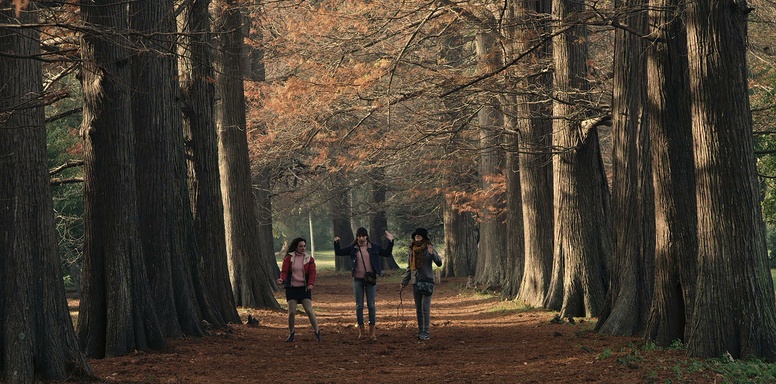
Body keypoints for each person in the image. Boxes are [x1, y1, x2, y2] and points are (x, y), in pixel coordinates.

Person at [334, 227, 394, 340]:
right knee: (359, 305)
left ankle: (372, 332)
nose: (361, 238)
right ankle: (361, 331)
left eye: (363, 236)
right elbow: (339, 252)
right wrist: (337, 243)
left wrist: (391, 241)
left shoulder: (374, 247)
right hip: (357, 280)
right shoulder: (353, 248)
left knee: (371, 305)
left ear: (367, 236)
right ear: (356, 237)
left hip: (370, 279)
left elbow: (386, 253)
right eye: (359, 236)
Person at [400, 227, 442, 341]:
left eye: (419, 235)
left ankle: (426, 331)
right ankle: (420, 331)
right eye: (416, 235)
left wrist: (432, 254)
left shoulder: (429, 248)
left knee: (425, 307)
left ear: (423, 237)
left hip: (427, 281)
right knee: (418, 308)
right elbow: (410, 268)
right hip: (415, 282)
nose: (417, 237)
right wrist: (404, 281)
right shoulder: (412, 251)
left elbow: (439, 262)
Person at [276, 237, 321, 342]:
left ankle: (317, 331)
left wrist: (310, 284)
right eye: (300, 246)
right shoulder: (289, 258)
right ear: (296, 247)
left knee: (309, 310)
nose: (303, 248)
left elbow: (312, 273)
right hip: (292, 288)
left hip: (304, 288)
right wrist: (282, 279)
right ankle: (291, 333)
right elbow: (284, 271)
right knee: (291, 312)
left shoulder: (309, 259)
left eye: (304, 246)